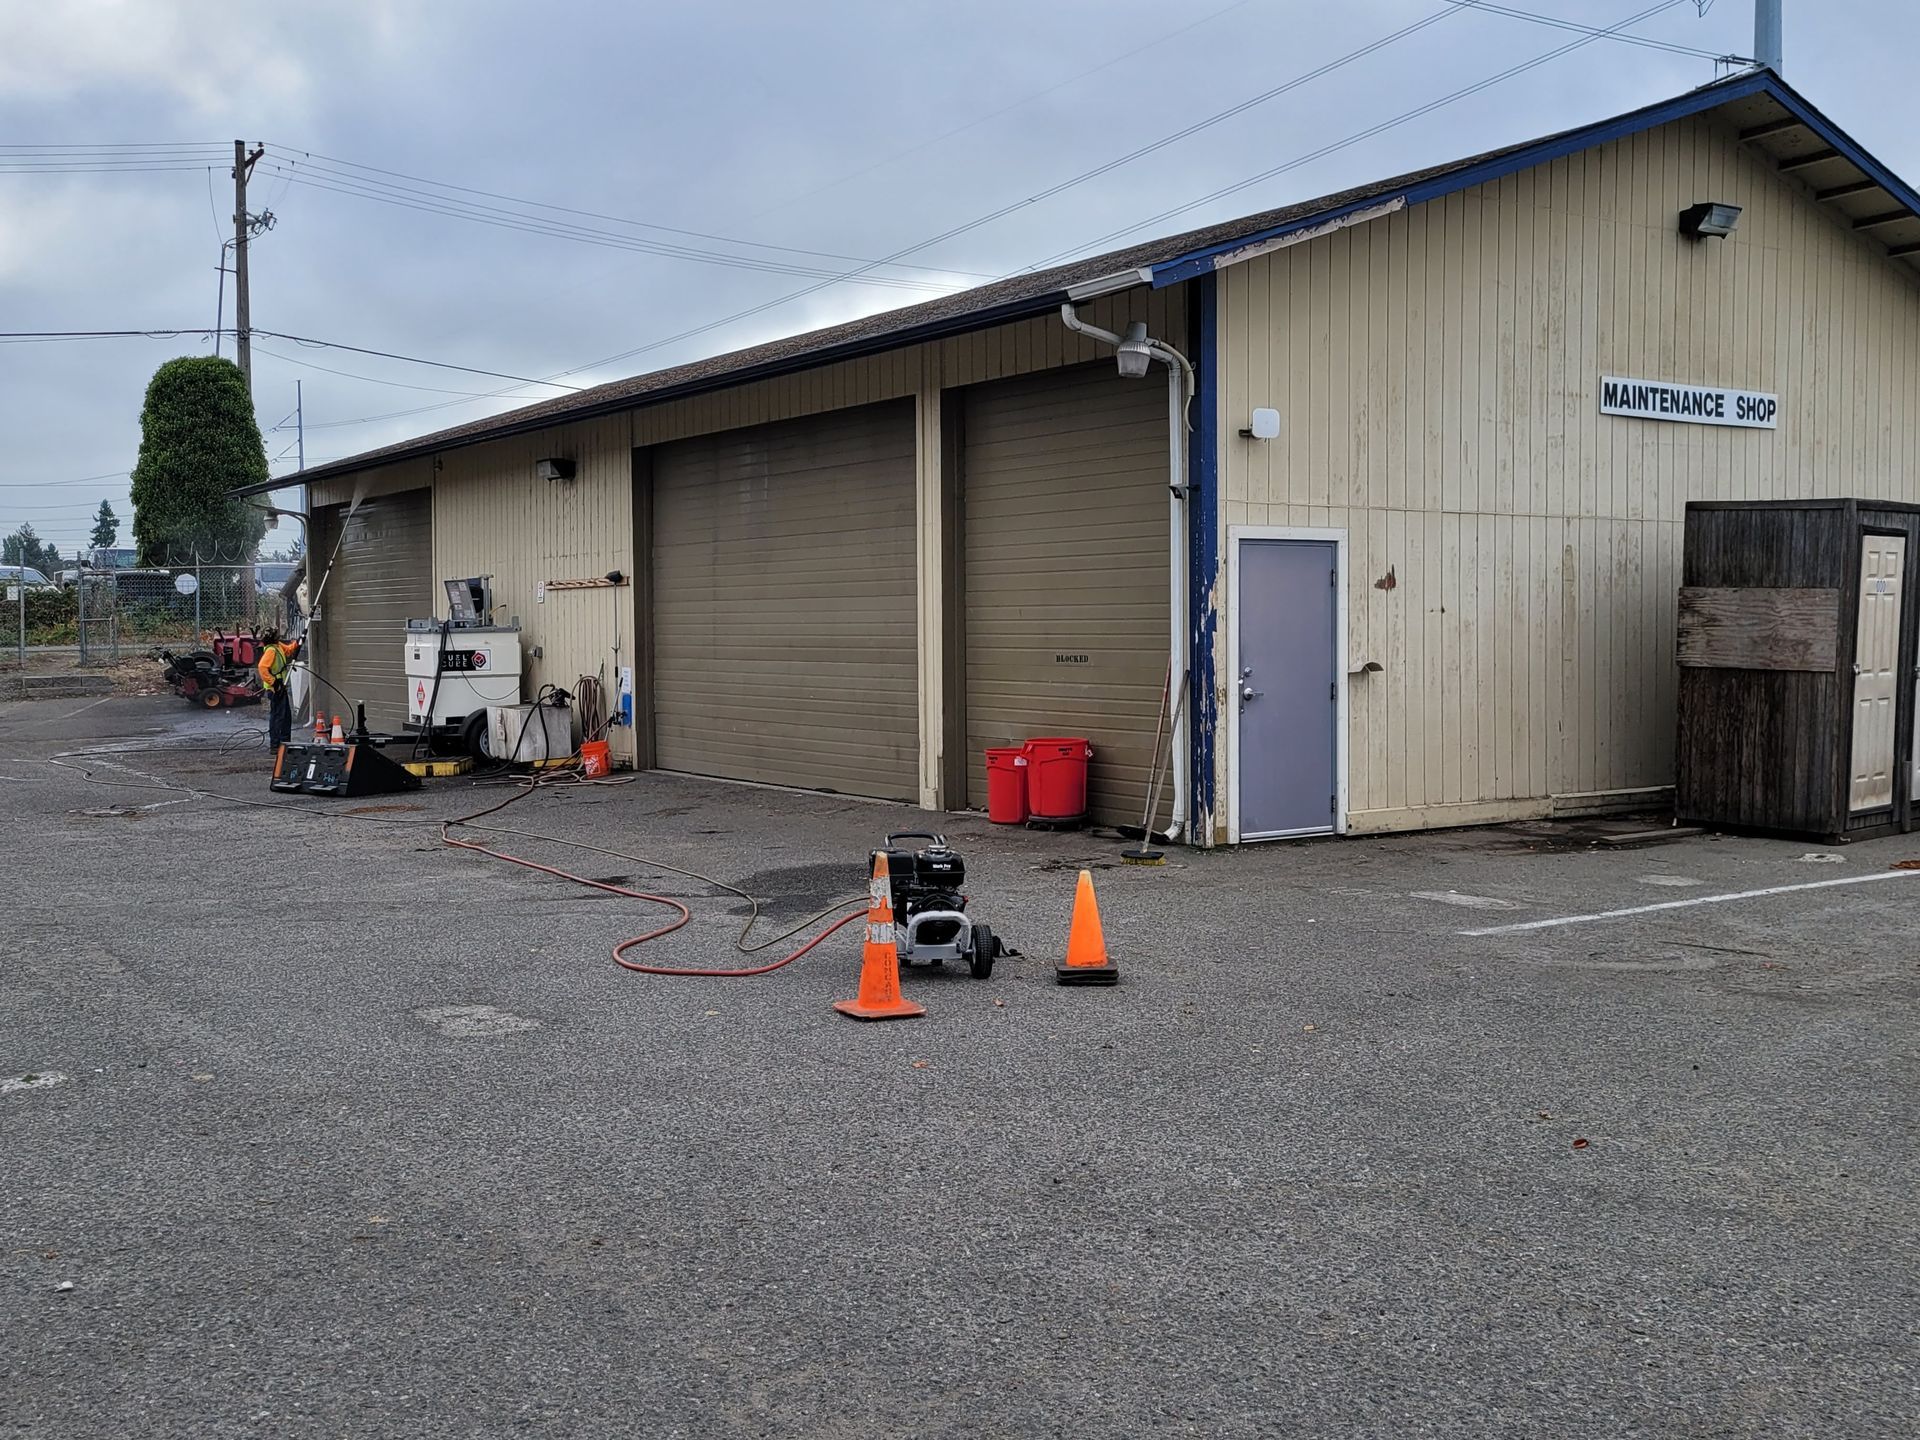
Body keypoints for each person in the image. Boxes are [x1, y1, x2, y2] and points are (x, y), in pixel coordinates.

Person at [257, 627, 303, 747]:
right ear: (273, 637)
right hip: (275, 688)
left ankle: (285, 742)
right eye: (277, 635)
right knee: (279, 716)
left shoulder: (277, 646)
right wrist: (274, 683)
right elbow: (262, 668)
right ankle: (276, 744)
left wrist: (297, 642)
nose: (279, 636)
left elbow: (288, 650)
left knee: (286, 715)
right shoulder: (271, 651)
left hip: (281, 685)